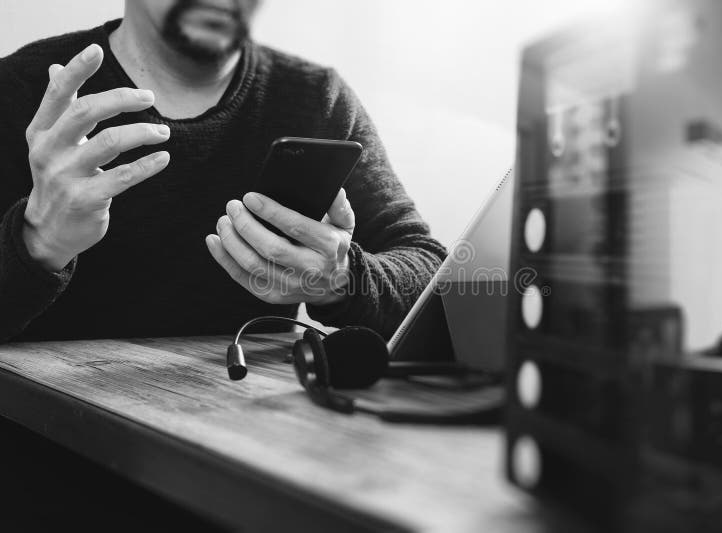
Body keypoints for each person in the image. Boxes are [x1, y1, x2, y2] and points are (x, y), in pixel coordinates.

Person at [0, 0, 447, 343]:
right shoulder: (22, 89)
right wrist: (39, 242)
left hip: (249, 439)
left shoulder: (316, 98)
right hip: (55, 444)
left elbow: (435, 280)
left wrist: (345, 278)